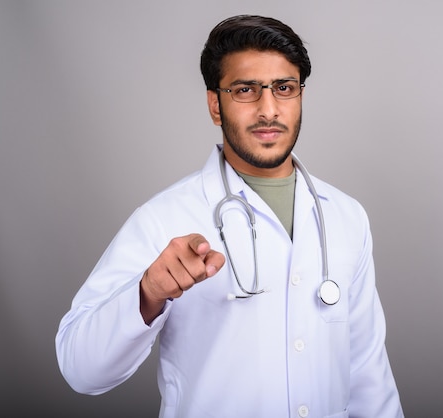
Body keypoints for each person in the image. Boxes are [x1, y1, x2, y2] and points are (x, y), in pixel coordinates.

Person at [56, 14, 404, 418]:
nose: (268, 109)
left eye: (284, 88)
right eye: (245, 90)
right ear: (214, 105)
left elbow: (367, 372)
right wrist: (148, 293)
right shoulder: (164, 218)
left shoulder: (345, 216)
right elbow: (80, 371)